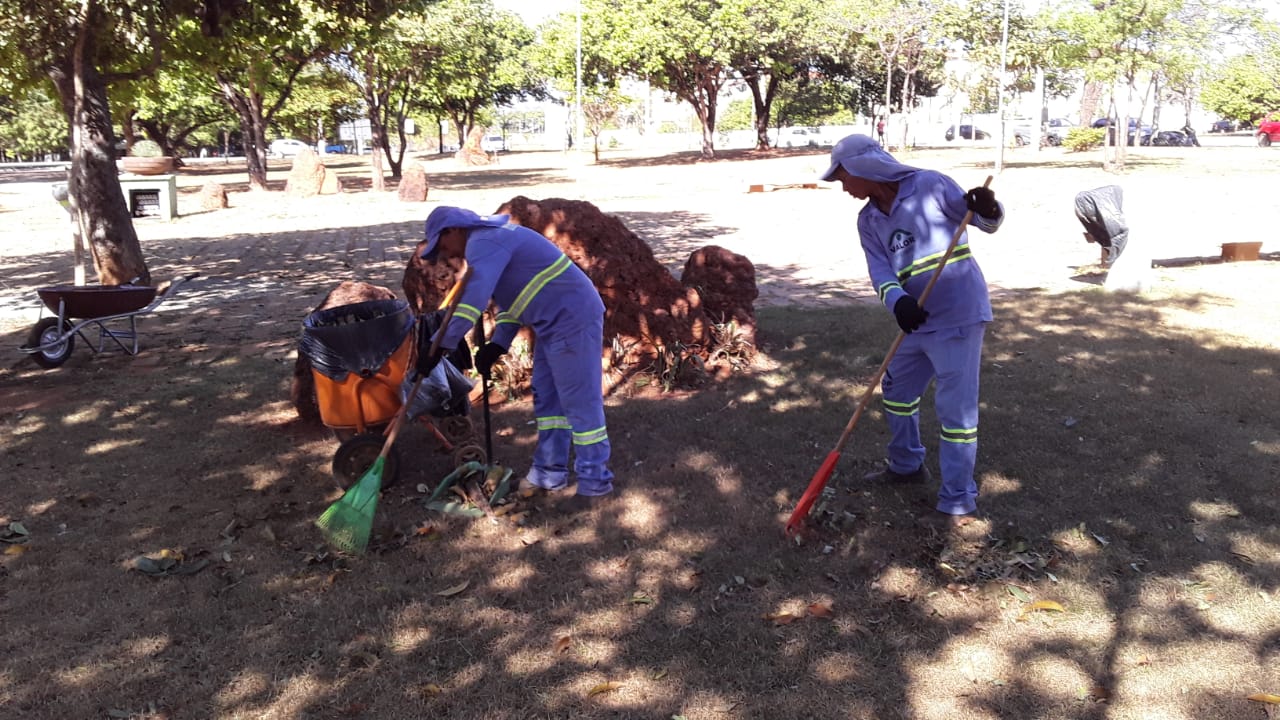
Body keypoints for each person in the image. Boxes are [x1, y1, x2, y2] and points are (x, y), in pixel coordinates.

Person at [819, 134, 1004, 528]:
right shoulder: (868, 220)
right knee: (897, 393)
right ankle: (905, 465)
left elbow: (984, 220)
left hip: (957, 316)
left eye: (844, 178)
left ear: (863, 169)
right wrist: (897, 302)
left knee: (955, 412)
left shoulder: (930, 184)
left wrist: (987, 206)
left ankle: (958, 500)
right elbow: (880, 271)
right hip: (914, 322)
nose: (844, 188)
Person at [417, 206, 614, 512]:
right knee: (548, 401)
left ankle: (595, 485)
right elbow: (515, 300)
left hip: (572, 319)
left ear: (453, 230)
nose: (444, 255)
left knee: (579, 404)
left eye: (442, 246)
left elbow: (473, 303)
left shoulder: (484, 243)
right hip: (551, 323)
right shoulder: (490, 243)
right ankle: (549, 475)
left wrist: (439, 346)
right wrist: (497, 345)